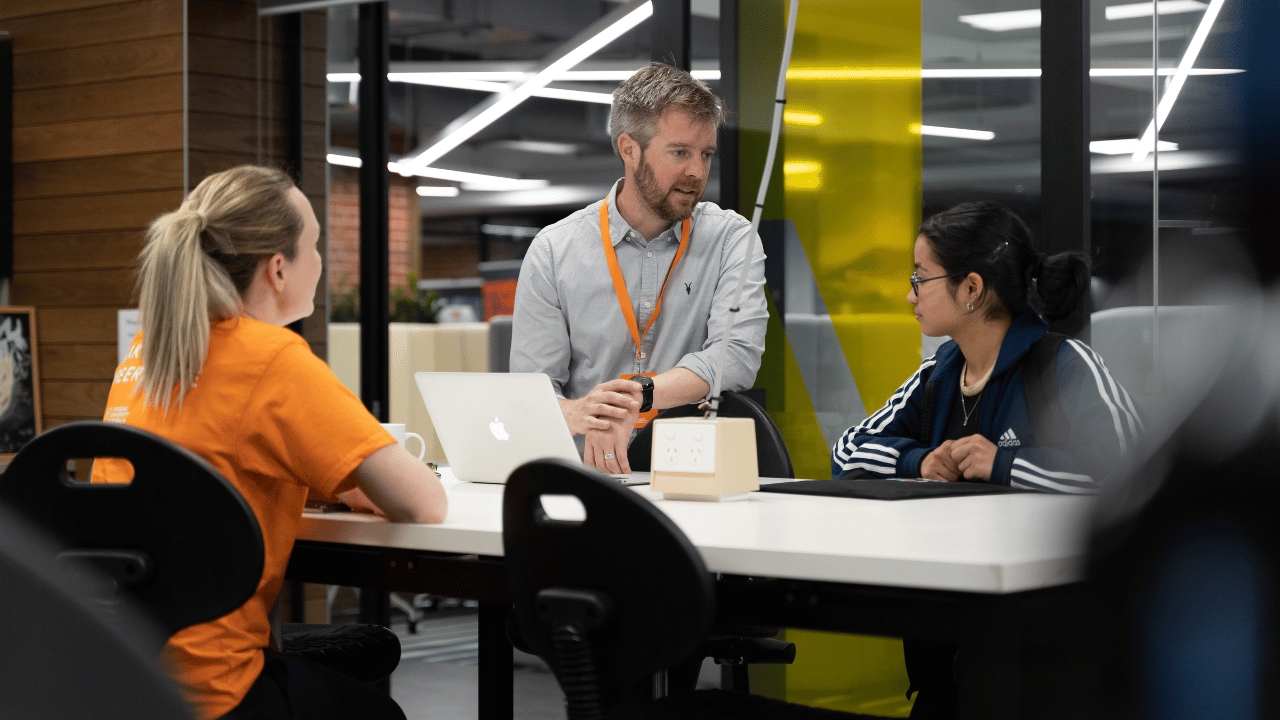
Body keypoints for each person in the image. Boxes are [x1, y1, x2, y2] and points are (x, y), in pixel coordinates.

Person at [93, 166, 447, 720]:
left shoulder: (149, 353)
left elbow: (214, 466)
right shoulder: (272, 360)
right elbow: (425, 503)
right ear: (278, 269)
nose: (321, 262)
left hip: (116, 674)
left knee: (353, 661)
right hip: (213, 691)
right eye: (315, 245)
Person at [830, 201, 1143, 718]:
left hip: (1044, 677)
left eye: (920, 278)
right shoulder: (936, 376)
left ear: (972, 288)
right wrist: (918, 462)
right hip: (944, 667)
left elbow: (1131, 473)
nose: (910, 295)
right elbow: (847, 450)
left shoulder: (1065, 366)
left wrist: (1007, 465)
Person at [511, 62, 768, 474]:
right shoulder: (554, 251)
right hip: (583, 478)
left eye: (706, 154)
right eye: (680, 152)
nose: (697, 172)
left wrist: (639, 394)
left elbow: (735, 357)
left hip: (691, 476)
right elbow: (530, 394)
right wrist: (584, 413)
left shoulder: (731, 239)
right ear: (629, 150)